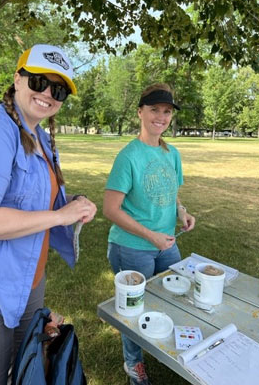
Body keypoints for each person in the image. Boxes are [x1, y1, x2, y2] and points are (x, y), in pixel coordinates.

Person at [0, 44, 97, 384]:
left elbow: (36, 201)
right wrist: (60, 217)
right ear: (18, 79)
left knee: (26, 370)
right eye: (39, 82)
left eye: (59, 89)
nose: (48, 94)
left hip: (26, 279)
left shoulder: (40, 136)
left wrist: (73, 204)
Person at [103, 83, 195, 385]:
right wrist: (150, 235)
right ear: (140, 112)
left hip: (165, 244)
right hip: (131, 247)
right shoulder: (129, 156)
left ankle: (161, 348)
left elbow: (172, 195)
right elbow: (111, 209)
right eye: (154, 109)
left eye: (167, 111)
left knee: (174, 297)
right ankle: (134, 365)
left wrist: (181, 212)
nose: (161, 116)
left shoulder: (173, 153)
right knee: (133, 309)